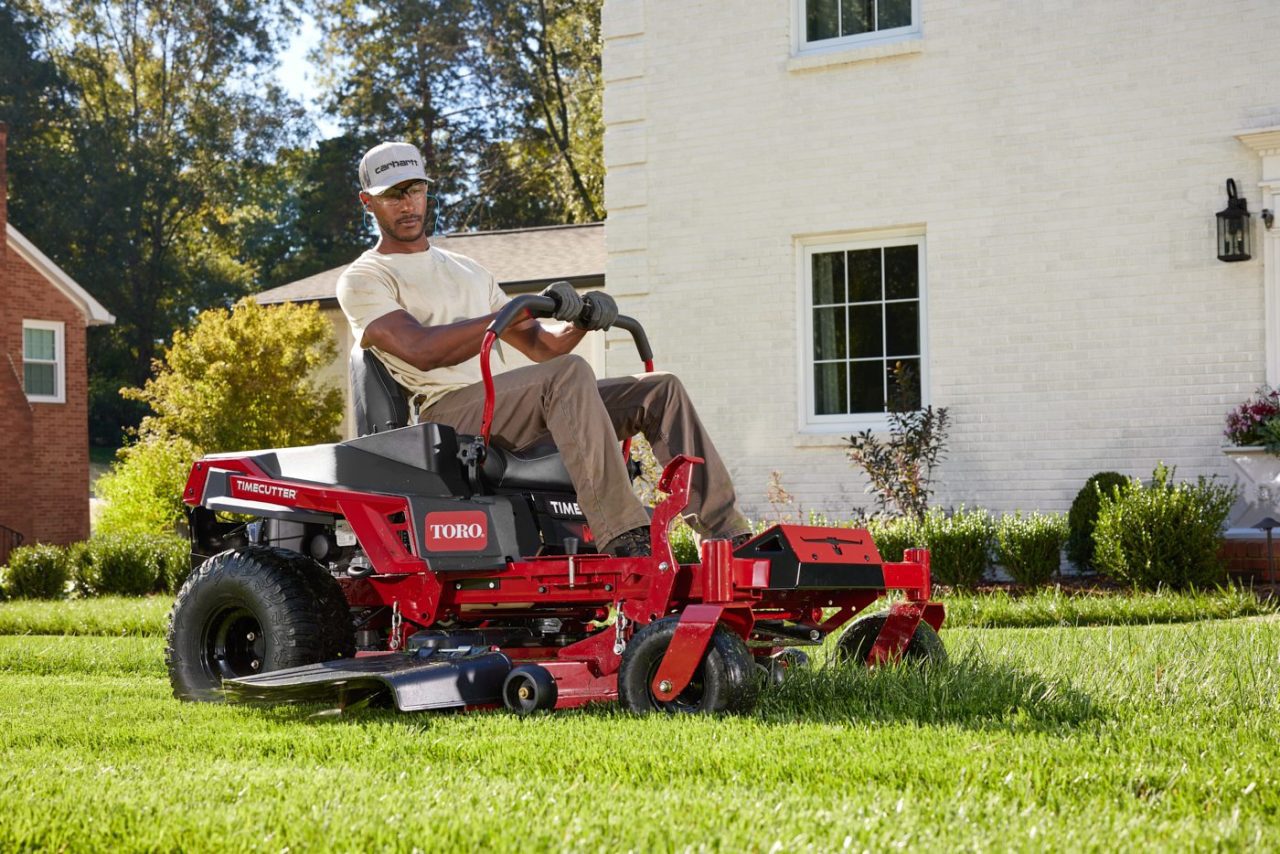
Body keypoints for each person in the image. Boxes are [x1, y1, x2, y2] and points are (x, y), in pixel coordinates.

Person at [336, 141, 751, 557]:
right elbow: (420, 349)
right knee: (567, 374)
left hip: (505, 405)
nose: (408, 204)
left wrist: (580, 323)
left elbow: (543, 347)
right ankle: (625, 536)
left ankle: (727, 537)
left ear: (427, 190)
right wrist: (510, 314)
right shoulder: (367, 277)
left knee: (660, 389)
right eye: (393, 194)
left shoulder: (468, 270)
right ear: (368, 202)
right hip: (446, 417)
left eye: (415, 190)